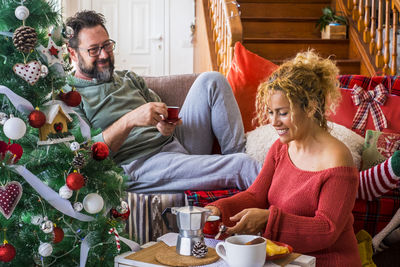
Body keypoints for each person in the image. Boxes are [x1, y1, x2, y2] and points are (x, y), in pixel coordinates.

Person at [64, 10, 261, 193]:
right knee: (242, 165)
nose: (104, 54)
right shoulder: (70, 96)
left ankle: (236, 156)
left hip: (174, 144)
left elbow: (161, 113)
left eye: (107, 45)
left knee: (212, 80)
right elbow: (85, 156)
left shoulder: (128, 77)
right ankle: (247, 173)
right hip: (139, 163)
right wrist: (130, 120)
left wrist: (164, 124)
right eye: (93, 50)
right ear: (73, 53)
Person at [206, 51, 362, 266]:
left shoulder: (337, 158)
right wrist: (218, 209)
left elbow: (327, 229)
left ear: (310, 107)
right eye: (270, 112)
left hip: (326, 261)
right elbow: (255, 196)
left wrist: (269, 219)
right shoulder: (281, 148)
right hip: (286, 258)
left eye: (282, 113)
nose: (274, 122)